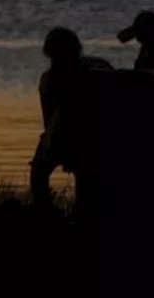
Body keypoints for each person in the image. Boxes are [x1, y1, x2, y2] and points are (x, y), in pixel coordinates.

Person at [29, 27, 111, 214]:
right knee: (84, 174)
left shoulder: (50, 79)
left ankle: (47, 212)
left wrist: (48, 143)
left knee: (39, 170)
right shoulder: (99, 67)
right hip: (98, 136)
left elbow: (48, 120)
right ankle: (81, 211)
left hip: (77, 135)